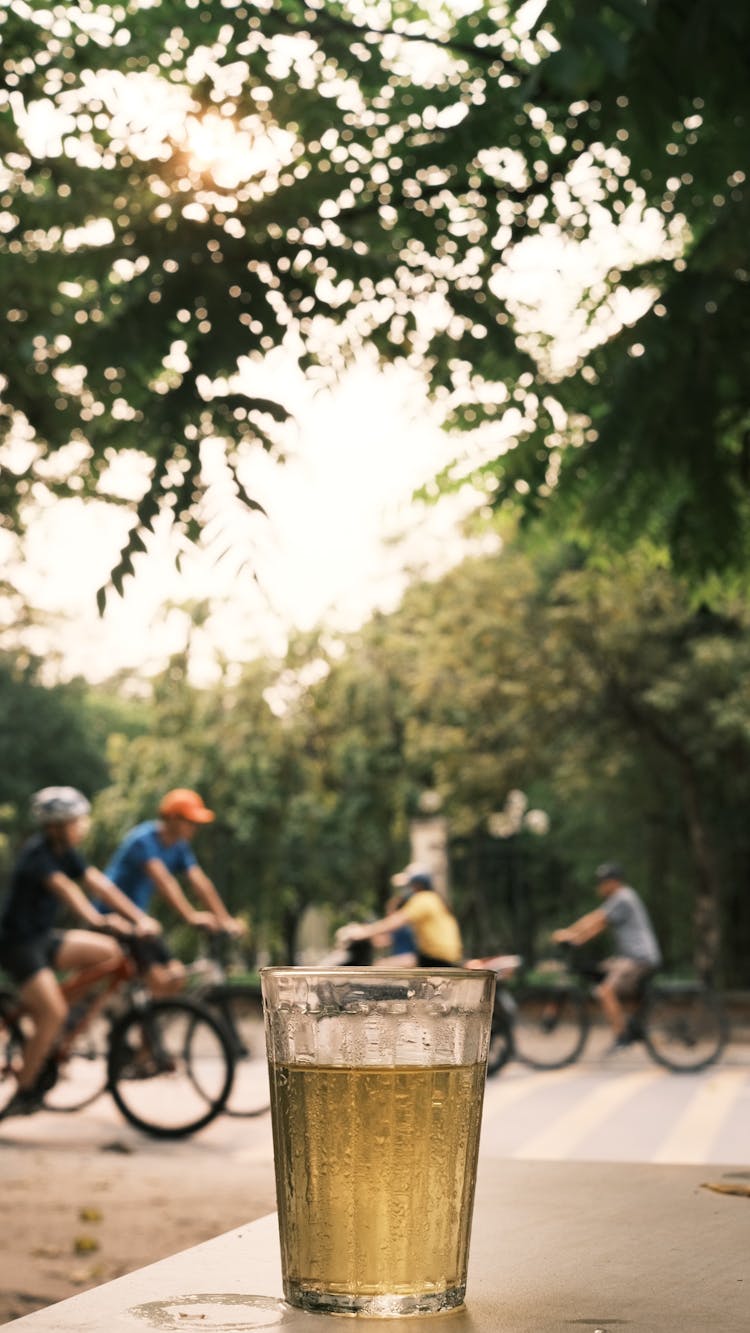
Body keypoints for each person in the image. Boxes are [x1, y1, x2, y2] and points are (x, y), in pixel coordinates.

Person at [0, 787, 161, 1118]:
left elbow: (100, 885)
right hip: (17, 944)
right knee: (52, 1013)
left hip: (45, 938)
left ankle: (59, 1019)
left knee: (110, 954)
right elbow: (68, 890)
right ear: (59, 826)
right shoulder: (38, 855)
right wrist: (98, 920)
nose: (83, 826)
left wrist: (139, 918)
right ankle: (25, 1091)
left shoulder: (67, 852)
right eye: (77, 821)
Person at [103, 788, 245, 994]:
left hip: (139, 921)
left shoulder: (179, 847)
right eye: (190, 821)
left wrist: (224, 919)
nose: (194, 828)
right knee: (159, 979)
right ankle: (136, 1019)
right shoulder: (143, 840)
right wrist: (191, 916)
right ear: (171, 818)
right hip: (113, 916)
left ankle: (148, 1023)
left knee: (176, 976)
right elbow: (164, 880)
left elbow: (200, 882)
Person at [552, 861, 662, 1050]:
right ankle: (631, 1023)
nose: (600, 886)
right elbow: (599, 926)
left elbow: (597, 918)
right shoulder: (622, 899)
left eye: (604, 882)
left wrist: (569, 933)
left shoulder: (623, 897)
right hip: (629, 958)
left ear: (615, 882)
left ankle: (622, 1036)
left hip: (638, 959)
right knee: (600, 970)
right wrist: (578, 939)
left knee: (605, 991)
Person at [337, 864, 462, 967]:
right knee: (383, 965)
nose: (404, 890)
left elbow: (396, 921)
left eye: (407, 885)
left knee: (381, 967)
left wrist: (364, 932)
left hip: (437, 960)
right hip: (432, 957)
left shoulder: (424, 899)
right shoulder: (432, 900)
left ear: (417, 885)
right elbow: (389, 937)